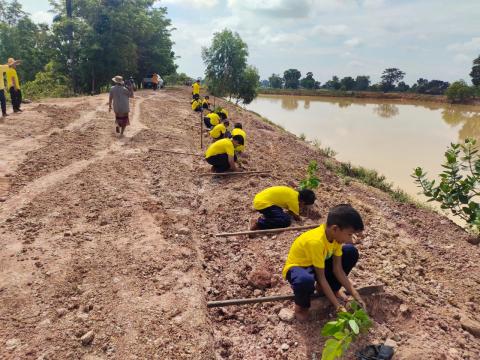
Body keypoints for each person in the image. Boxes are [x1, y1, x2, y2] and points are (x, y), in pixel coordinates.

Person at [282, 204, 366, 321]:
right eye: (349, 234)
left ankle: (331, 289)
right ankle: (300, 307)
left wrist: (357, 296)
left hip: (317, 263)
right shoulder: (316, 242)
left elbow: (338, 270)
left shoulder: (335, 238)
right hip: (299, 267)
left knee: (351, 252)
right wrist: (338, 306)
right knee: (305, 281)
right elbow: (321, 277)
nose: (350, 239)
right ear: (335, 229)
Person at [251, 186, 316, 230]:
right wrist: (303, 222)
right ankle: (259, 223)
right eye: (304, 204)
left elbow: (291, 211)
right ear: (303, 202)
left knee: (281, 213)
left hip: (261, 199)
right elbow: (297, 217)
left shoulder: (293, 193)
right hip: (262, 204)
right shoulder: (294, 201)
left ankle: (268, 216)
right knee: (286, 221)